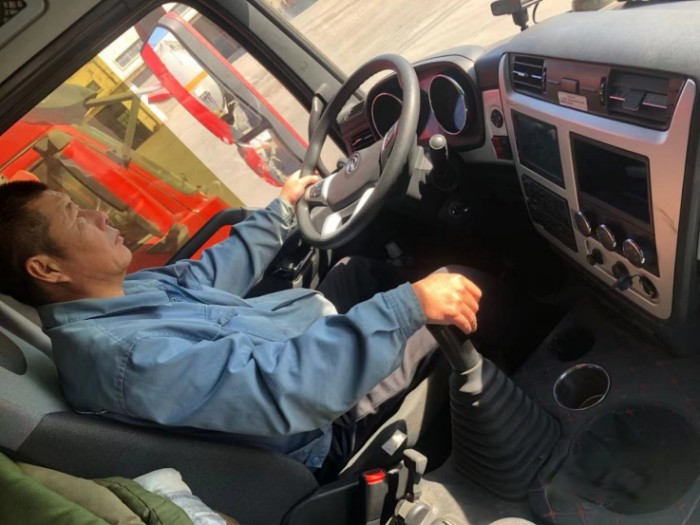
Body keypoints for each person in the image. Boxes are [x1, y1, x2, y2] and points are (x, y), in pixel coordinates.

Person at [0, 172, 483, 472]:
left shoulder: (125, 294)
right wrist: (406, 307)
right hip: (328, 420)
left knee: (357, 270)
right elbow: (286, 388)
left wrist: (281, 210)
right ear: (47, 269)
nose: (99, 215)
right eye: (76, 216)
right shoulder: (123, 360)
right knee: (460, 282)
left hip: (303, 348)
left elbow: (207, 275)